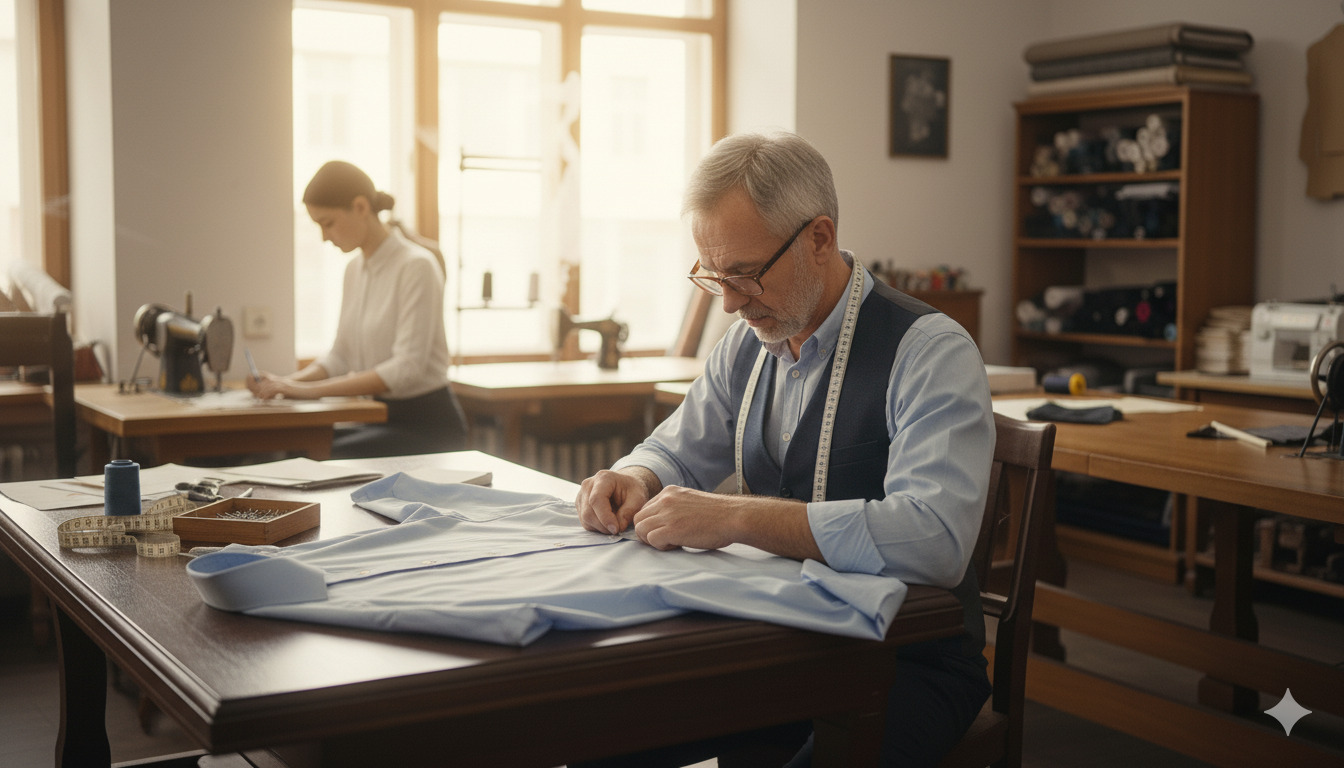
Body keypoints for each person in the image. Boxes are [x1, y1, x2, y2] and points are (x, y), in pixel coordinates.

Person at [574, 131, 995, 767]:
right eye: (714, 276)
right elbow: (680, 448)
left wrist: (739, 517)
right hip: (784, 643)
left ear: (819, 238)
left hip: (906, 659)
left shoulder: (929, 351)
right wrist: (636, 474)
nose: (732, 302)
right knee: (604, 738)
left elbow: (933, 538)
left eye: (745, 274)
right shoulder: (750, 343)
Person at [248, 160, 468, 458]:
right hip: (378, 415)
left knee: (317, 454)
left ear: (361, 207)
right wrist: (284, 383)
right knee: (297, 445)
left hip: (429, 426)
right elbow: (341, 355)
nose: (324, 237)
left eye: (328, 223)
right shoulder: (354, 270)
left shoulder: (417, 266)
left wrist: (309, 390)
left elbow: (407, 368)